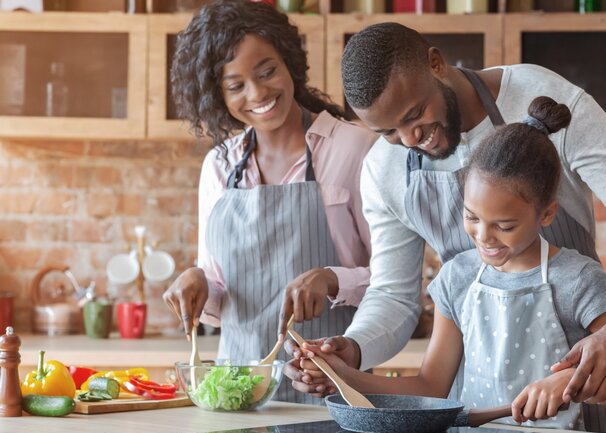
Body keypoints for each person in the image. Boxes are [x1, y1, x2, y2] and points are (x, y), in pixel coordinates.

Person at [284, 22, 606, 404]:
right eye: (388, 131)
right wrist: (351, 352)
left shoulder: (542, 99)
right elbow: (393, 295)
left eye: (415, 113)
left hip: (583, 378)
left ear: (436, 63)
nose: (410, 140)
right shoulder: (383, 170)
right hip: (475, 395)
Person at [162, 0, 376, 403]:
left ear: (289, 61)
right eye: (236, 85)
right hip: (239, 396)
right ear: (216, 94)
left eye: (267, 72)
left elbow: (394, 285)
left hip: (332, 387)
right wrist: (198, 281)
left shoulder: (356, 149)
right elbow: (220, 284)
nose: (258, 93)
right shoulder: (220, 166)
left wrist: (332, 278)